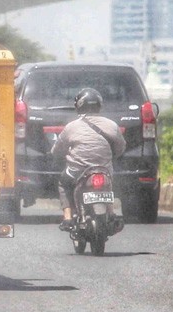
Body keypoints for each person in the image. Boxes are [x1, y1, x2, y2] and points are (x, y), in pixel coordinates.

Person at [51, 87, 126, 231]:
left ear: (79, 105)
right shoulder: (112, 125)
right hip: (105, 171)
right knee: (108, 185)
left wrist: (58, 156)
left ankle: (67, 218)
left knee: (63, 183)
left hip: (78, 172)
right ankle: (111, 213)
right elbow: (121, 147)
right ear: (99, 105)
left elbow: (57, 150)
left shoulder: (71, 127)